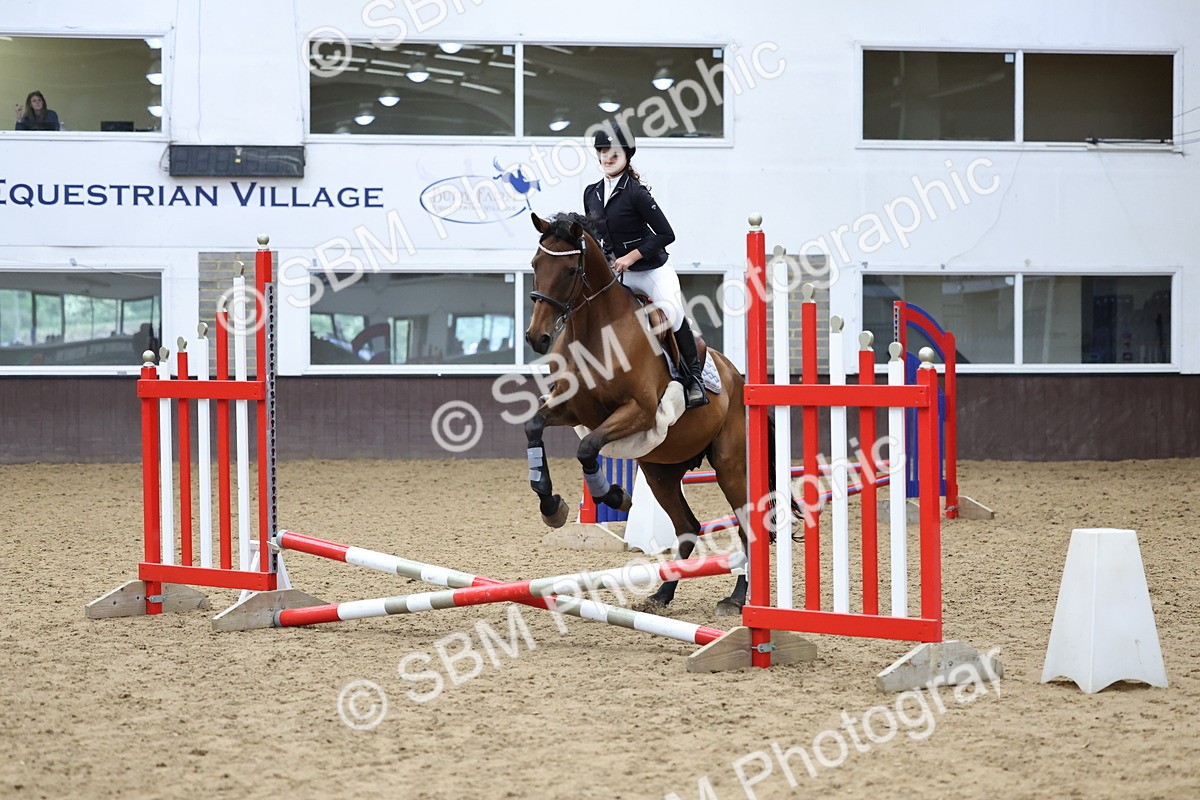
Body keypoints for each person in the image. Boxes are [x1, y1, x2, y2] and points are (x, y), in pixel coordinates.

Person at [583, 125, 709, 409]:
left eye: (613, 153)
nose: (606, 158)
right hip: (619, 274)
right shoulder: (591, 193)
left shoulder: (637, 193)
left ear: (626, 155)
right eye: (602, 152)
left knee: (674, 313)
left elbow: (666, 234)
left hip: (651, 270)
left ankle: (693, 380)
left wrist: (631, 257)